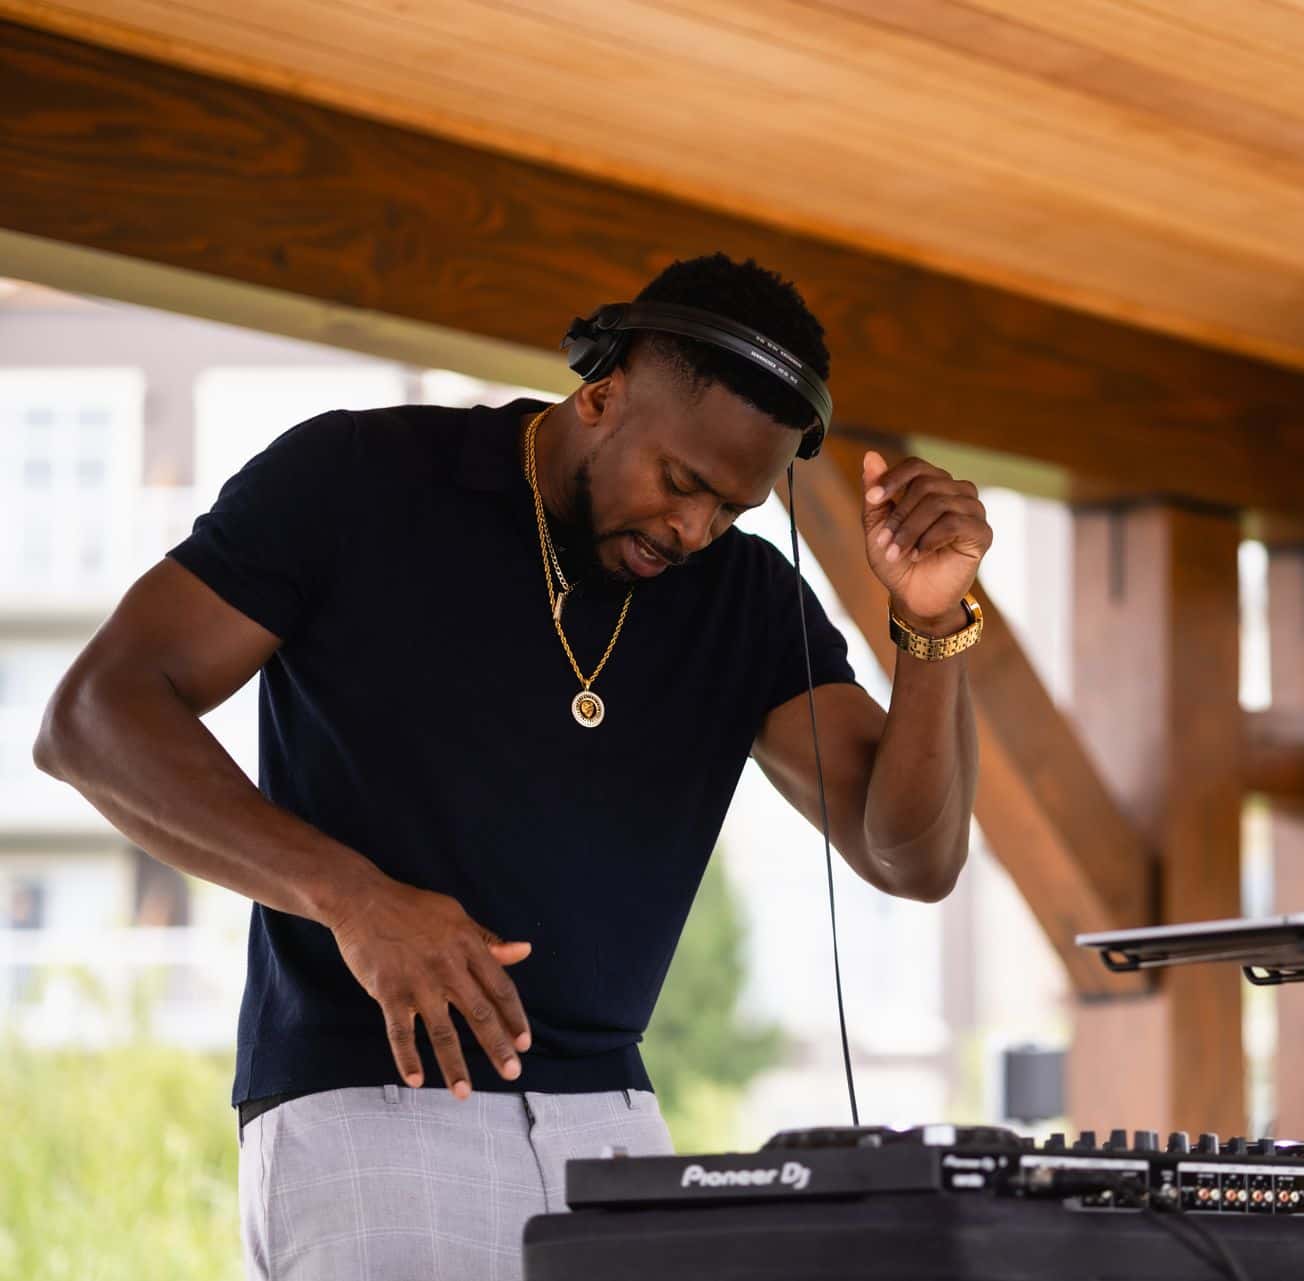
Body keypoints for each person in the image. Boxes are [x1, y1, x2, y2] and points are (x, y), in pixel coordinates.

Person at [33, 252, 992, 1280]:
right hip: (375, 1101)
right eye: (679, 482)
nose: (692, 529)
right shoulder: (355, 480)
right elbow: (96, 718)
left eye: (731, 512)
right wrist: (354, 898)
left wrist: (931, 625)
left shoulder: (743, 597)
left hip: (618, 1125)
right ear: (601, 392)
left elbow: (910, 858)